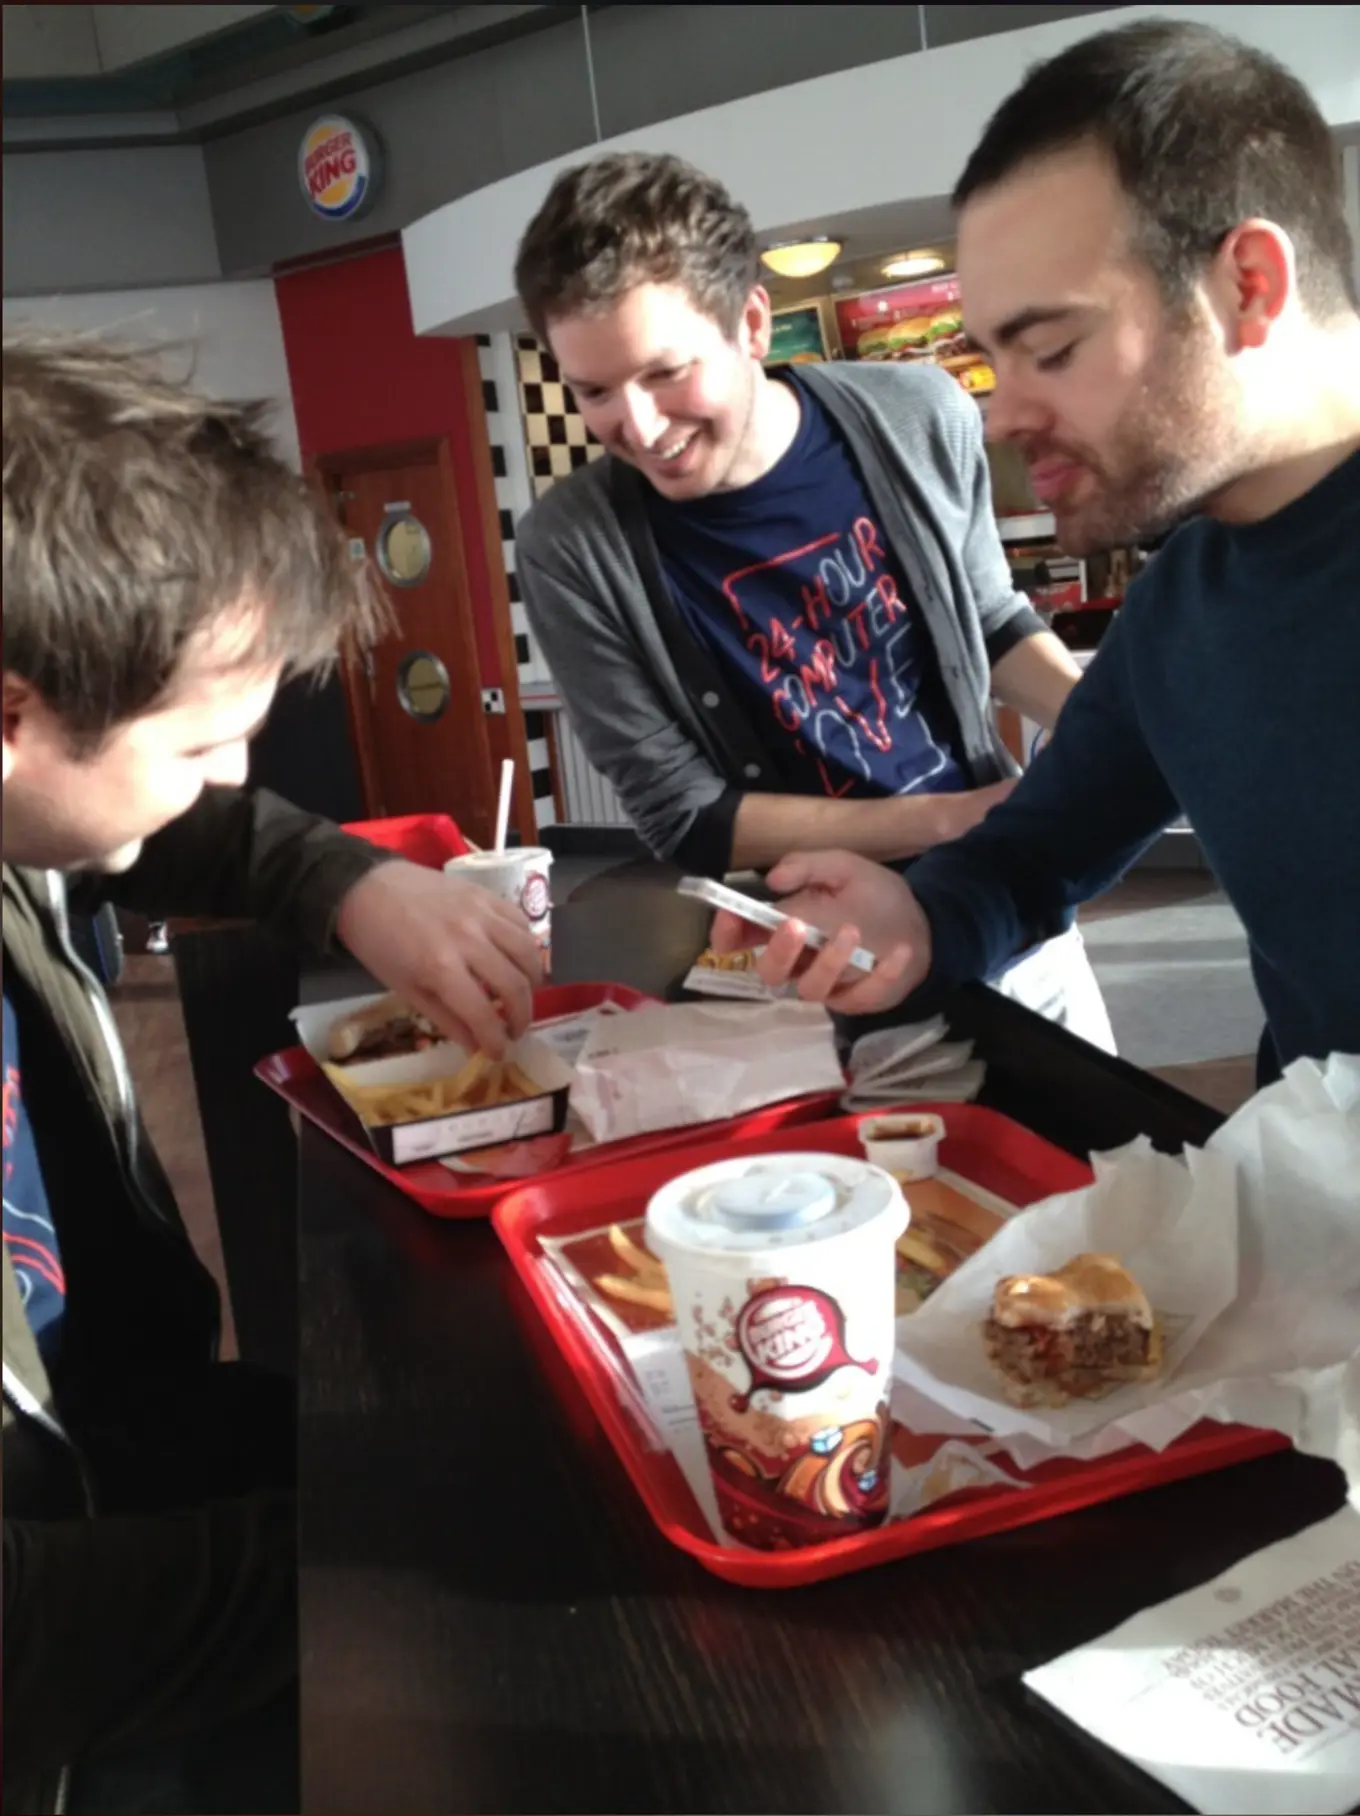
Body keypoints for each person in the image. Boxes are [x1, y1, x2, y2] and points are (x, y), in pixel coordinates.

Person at [2, 333, 542, 1814]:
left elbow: (139, 822)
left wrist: (346, 880)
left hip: (116, 1433)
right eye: (202, 744)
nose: (232, 780)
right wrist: (362, 1558)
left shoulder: (38, 795)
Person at [710, 18, 1360, 1080]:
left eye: (1050, 349)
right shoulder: (1180, 610)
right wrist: (913, 920)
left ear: (1248, 285)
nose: (1000, 417)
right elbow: (1034, 853)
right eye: (992, 358)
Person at [511, 151, 1114, 1048]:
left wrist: (1115, 733)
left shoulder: (919, 414)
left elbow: (988, 621)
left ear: (752, 323)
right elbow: (689, 815)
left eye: (666, 372)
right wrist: (956, 814)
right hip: (813, 966)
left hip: (1011, 910)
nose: (636, 426)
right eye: (595, 391)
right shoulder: (571, 548)